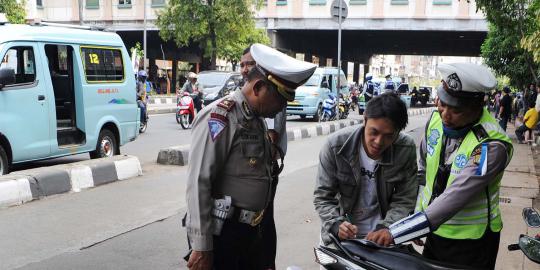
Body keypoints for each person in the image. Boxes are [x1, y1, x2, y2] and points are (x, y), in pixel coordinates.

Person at [184, 43, 316, 270]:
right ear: (258, 88)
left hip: (250, 232)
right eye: (280, 100)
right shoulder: (221, 117)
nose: (282, 107)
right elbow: (199, 182)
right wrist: (202, 246)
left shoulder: (255, 118)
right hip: (223, 235)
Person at [385, 63, 513, 270]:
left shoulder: (491, 145)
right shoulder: (435, 121)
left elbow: (456, 195)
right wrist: (418, 215)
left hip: (472, 242)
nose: (444, 113)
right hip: (435, 232)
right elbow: (424, 172)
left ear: (477, 106)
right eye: (442, 103)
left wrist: (401, 231)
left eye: (456, 110)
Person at [314, 92, 418, 247]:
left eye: (389, 136)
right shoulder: (335, 146)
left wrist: (387, 228)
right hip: (340, 239)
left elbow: (405, 198)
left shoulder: (405, 148)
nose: (378, 142)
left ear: (398, 132)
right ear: (364, 120)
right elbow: (323, 197)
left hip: (383, 238)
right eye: (374, 132)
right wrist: (336, 224)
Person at [239, 45, 287, 270]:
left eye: (249, 64)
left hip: (265, 167)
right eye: (242, 65)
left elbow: (275, 130)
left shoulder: (270, 95)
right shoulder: (239, 97)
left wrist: (272, 147)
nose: (245, 69)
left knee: (265, 223)